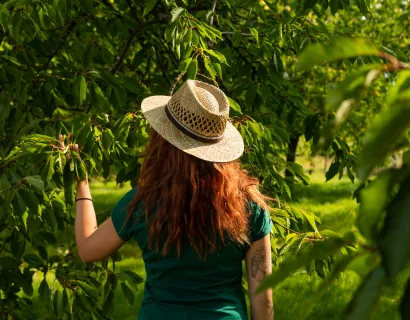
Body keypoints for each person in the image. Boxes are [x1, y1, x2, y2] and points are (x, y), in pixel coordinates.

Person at [72, 80, 274, 320]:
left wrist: (81, 180)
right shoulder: (249, 207)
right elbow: (263, 301)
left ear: (162, 141)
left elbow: (88, 249)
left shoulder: (141, 204)